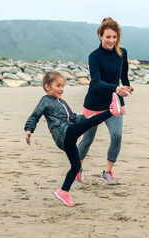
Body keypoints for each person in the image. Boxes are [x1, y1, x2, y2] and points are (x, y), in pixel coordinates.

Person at [24, 71, 123, 206]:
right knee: (90, 123)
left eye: (63, 86)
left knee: (76, 166)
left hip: (68, 139)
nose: (61, 89)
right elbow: (34, 116)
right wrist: (29, 129)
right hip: (63, 133)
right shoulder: (45, 101)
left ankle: (63, 192)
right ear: (47, 87)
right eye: (58, 86)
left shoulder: (62, 102)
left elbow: (73, 117)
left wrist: (85, 118)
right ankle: (111, 111)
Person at [76, 17, 133, 185]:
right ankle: (77, 170)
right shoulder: (94, 56)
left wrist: (127, 87)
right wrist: (115, 88)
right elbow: (96, 82)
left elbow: (123, 75)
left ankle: (107, 172)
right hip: (93, 104)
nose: (111, 40)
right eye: (108, 37)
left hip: (114, 102)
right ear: (100, 36)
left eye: (114, 37)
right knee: (87, 139)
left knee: (116, 136)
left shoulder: (122, 53)